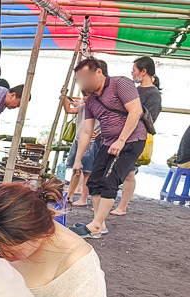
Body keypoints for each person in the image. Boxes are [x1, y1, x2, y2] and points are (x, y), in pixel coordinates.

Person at [70, 57, 147, 239]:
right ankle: (99, 223)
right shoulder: (90, 101)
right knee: (94, 180)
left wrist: (121, 140)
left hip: (131, 140)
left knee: (109, 181)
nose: (82, 83)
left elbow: (136, 111)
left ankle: (95, 226)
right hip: (108, 141)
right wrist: (78, 160)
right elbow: (87, 131)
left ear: (98, 72)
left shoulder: (120, 83)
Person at [111, 56, 162, 216]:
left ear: (143, 71)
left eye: (134, 70)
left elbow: (151, 119)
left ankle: (122, 206)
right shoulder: (135, 89)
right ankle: (108, 200)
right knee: (115, 170)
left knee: (129, 173)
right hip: (122, 134)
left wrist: (135, 112)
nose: (132, 73)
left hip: (136, 137)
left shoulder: (153, 94)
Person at [63, 91, 102, 206]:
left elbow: (109, 122)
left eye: (87, 95)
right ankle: (70, 194)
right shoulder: (84, 107)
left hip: (90, 142)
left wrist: (100, 133)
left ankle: (83, 199)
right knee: (76, 170)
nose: (85, 98)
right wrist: (64, 98)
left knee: (87, 172)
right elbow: (68, 110)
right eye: (84, 95)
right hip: (78, 140)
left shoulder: (98, 108)